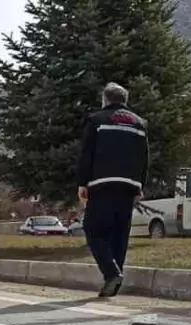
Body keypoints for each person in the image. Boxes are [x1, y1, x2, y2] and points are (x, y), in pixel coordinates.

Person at [76, 82, 150, 298]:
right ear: (124, 100)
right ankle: (114, 279)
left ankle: (111, 273)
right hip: (129, 186)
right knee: (120, 234)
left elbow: (87, 153)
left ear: (105, 100)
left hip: (102, 184)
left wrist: (83, 183)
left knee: (94, 229)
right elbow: (144, 157)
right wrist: (139, 185)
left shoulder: (96, 120)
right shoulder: (139, 123)